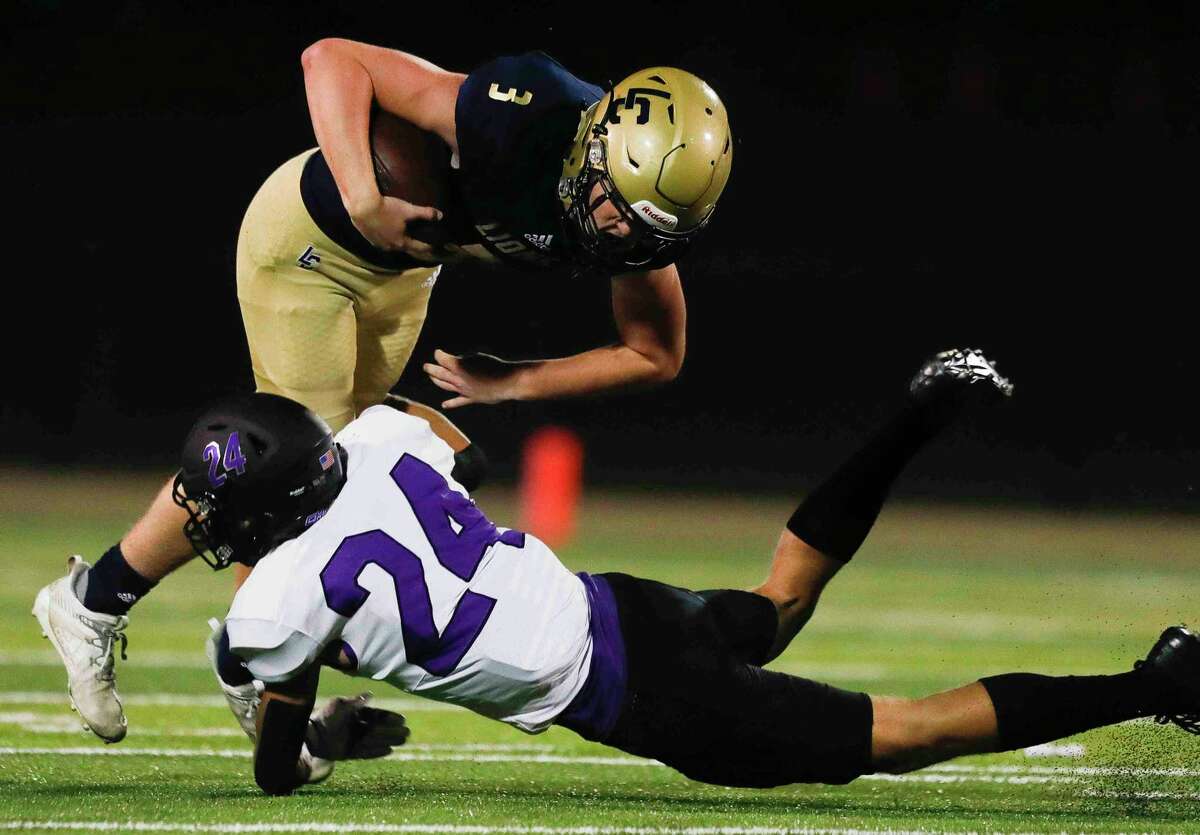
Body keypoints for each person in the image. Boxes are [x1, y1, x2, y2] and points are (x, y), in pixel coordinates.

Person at [32, 42, 733, 743]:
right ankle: (134, 620)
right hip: (310, 248)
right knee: (297, 473)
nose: (617, 233)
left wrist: (517, 380)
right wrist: (364, 198)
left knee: (403, 470)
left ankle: (228, 655)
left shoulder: (640, 220)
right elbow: (331, 59)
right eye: (614, 206)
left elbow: (655, 353)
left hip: (402, 280)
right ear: (594, 145)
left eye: (643, 228)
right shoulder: (523, 113)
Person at [134, 350, 1200, 792]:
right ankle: (917, 413)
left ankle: (1162, 683)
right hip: (626, 605)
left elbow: (279, 770)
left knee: (904, 731)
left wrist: (328, 737)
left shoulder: (276, 600)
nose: (207, 523)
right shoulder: (376, 439)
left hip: (639, 697)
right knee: (780, 599)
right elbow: (447, 433)